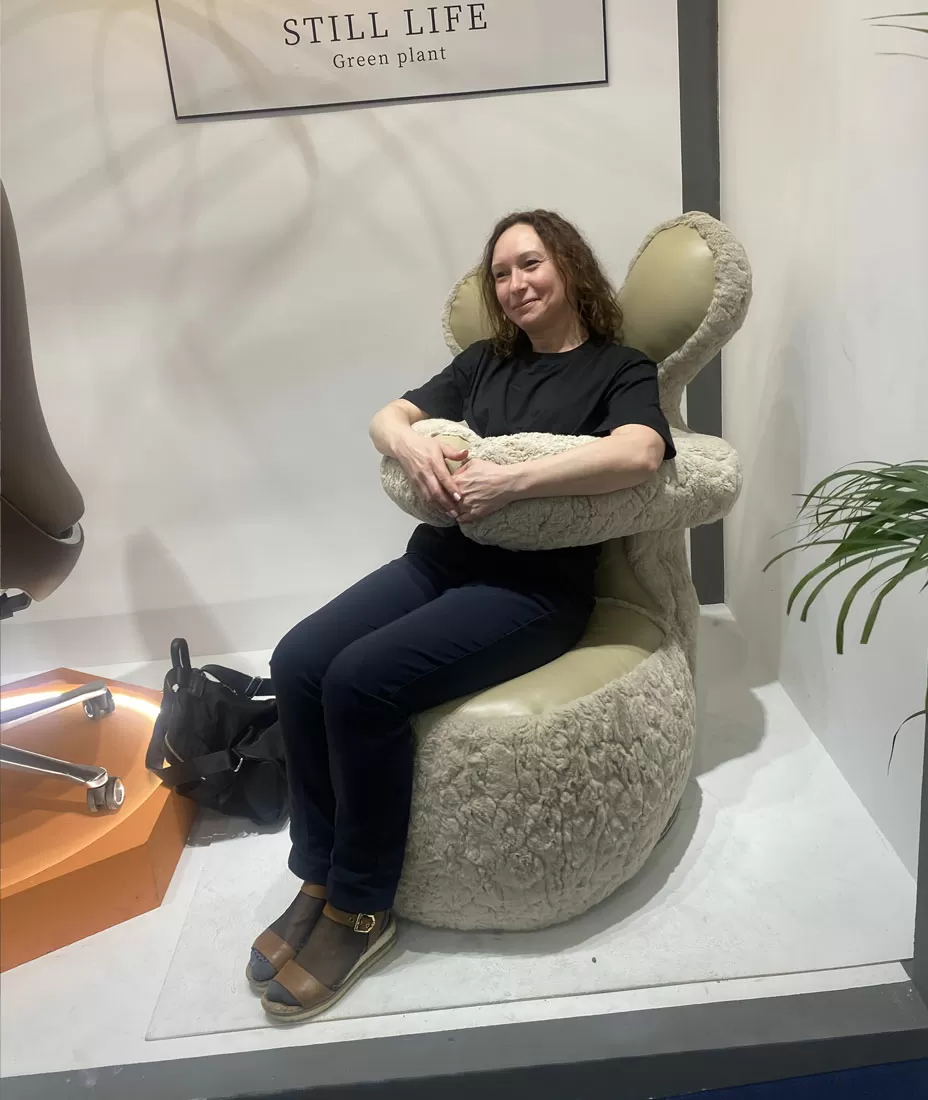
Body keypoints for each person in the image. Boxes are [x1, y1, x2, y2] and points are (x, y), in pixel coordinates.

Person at [247, 209, 677, 1023]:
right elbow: (387, 416)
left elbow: (639, 452)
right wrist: (408, 444)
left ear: (569, 266)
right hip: (438, 561)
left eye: (530, 264)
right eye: (501, 274)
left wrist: (509, 481)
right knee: (298, 660)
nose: (515, 285)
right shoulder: (484, 363)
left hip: (534, 590)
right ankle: (319, 873)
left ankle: (363, 909)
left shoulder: (619, 366)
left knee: (361, 682)